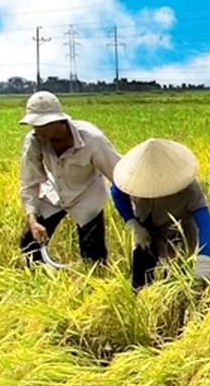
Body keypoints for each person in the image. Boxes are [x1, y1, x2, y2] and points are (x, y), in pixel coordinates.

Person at [17, 91, 127, 266]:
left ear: (58, 121)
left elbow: (118, 173)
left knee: (92, 254)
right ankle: (39, 284)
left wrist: (135, 212)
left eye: (42, 124)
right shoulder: (34, 141)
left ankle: (94, 285)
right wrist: (32, 219)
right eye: (34, 124)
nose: (37, 129)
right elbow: (29, 181)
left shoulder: (91, 139)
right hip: (54, 191)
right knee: (29, 246)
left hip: (87, 194)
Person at [109, 138, 210, 290]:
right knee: (141, 281)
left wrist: (204, 260)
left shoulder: (189, 189)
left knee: (177, 284)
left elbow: (205, 224)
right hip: (145, 230)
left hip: (179, 235)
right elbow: (117, 190)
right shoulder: (133, 178)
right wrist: (131, 222)